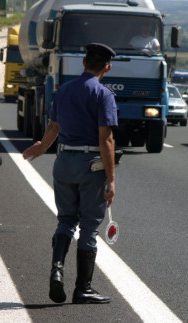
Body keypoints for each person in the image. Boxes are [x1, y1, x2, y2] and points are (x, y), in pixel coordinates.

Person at [23, 43, 118, 304]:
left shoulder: (63, 90)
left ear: (84, 63)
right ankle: (83, 288)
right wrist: (110, 179)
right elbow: (106, 140)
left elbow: (53, 126)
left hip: (63, 160)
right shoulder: (103, 95)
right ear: (107, 67)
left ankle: (56, 272)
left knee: (66, 220)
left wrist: (42, 146)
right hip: (90, 164)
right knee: (89, 226)